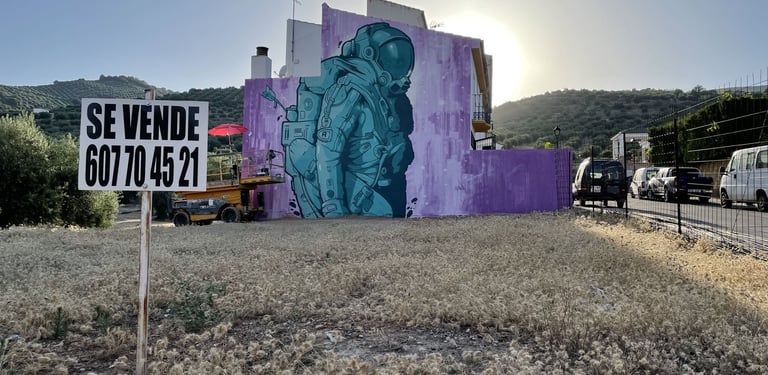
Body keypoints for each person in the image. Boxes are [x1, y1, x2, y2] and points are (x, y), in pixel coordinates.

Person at [275, 22, 415, 218]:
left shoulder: (393, 100)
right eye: (393, 60)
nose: (400, 67)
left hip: (381, 187)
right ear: (369, 55)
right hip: (356, 193)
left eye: (403, 61)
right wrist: (334, 207)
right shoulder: (350, 92)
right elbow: (327, 153)